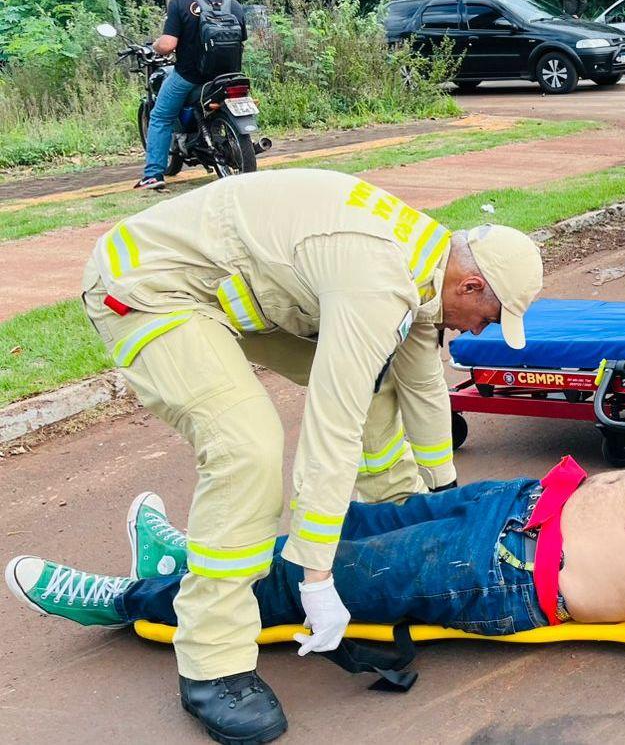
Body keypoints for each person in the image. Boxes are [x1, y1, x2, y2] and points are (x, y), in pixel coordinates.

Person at [78, 167, 543, 744]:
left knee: (377, 379)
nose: (481, 329)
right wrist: (316, 580)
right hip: (147, 286)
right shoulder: (377, 280)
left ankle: (386, 523)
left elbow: (419, 381)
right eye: (492, 317)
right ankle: (212, 662)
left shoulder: (426, 260)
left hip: (231, 285)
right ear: (471, 287)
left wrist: (437, 502)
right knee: (246, 445)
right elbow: (332, 428)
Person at [6, 434, 625, 696]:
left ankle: (128, 600)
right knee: (328, 536)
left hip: (509, 568)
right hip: (517, 503)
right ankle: (184, 564)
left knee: (311, 589)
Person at [138, 0, 249, 192]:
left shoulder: (180, 5)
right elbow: (241, 39)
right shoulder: (234, 6)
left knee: (160, 116)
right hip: (229, 77)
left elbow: (167, 45)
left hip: (190, 77)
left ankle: (152, 174)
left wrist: (155, 45)